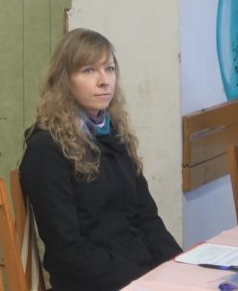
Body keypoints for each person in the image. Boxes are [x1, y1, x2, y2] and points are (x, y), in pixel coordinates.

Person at [19, 28, 181, 291]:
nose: (104, 81)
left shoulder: (113, 133)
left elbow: (147, 218)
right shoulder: (46, 150)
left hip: (138, 272)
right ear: (64, 80)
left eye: (109, 69)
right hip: (91, 281)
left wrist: (179, 267)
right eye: (89, 70)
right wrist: (142, 281)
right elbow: (67, 251)